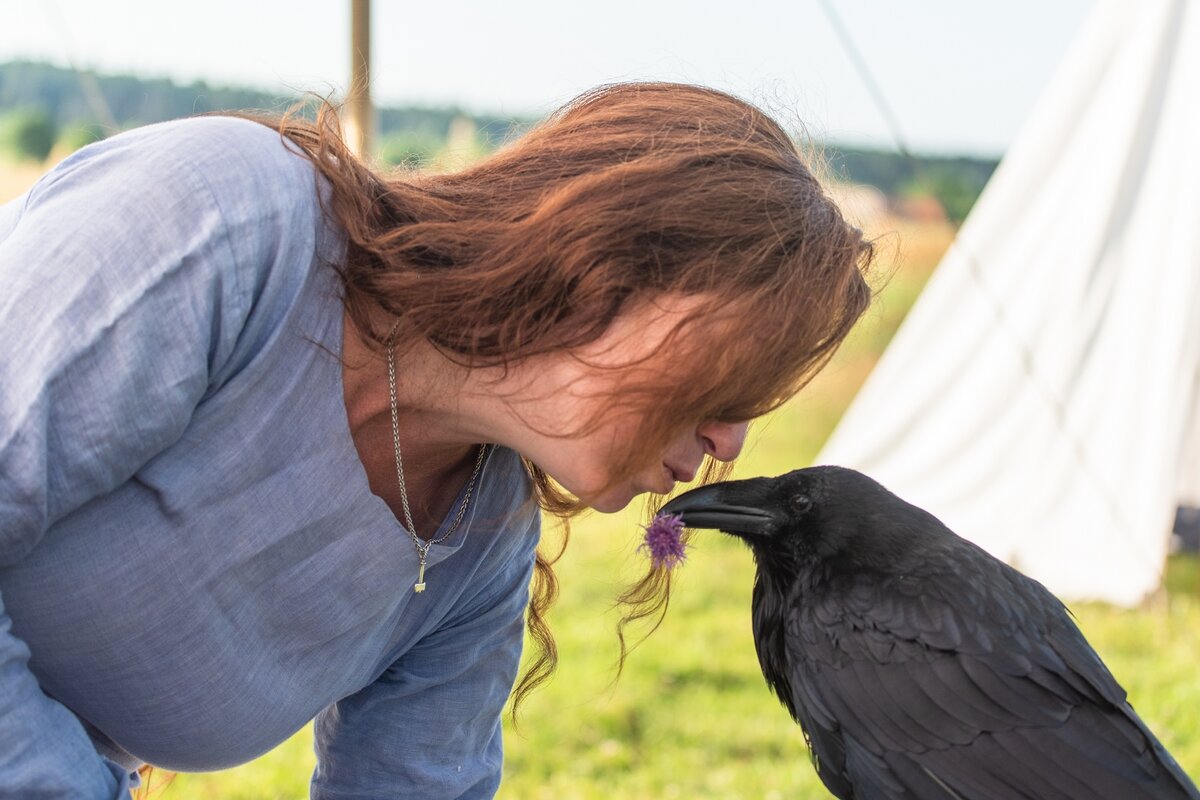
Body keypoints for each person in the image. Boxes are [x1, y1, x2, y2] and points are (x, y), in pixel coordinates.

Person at [0, 82, 873, 798]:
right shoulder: (232, 222)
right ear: (611, 268)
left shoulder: (481, 543)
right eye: (736, 377)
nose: (733, 440)